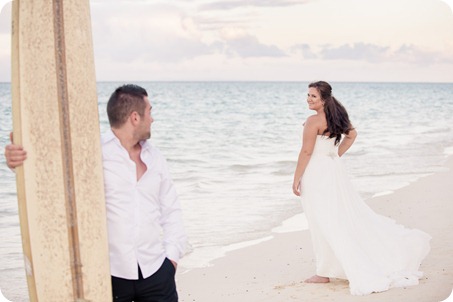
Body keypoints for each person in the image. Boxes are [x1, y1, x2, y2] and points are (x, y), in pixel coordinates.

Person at [5, 84, 187, 302]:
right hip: (109, 276)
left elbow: (171, 210)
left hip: (156, 271)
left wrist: (172, 259)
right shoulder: (92, 152)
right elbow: (50, 171)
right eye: (150, 112)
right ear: (135, 117)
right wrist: (17, 160)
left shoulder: (155, 157)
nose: (153, 119)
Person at [292, 81, 431, 296]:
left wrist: (296, 177)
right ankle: (327, 268)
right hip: (332, 170)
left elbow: (306, 152)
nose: (309, 99)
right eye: (308, 95)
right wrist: (335, 155)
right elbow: (352, 135)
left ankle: (324, 272)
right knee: (336, 217)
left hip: (317, 173)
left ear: (324, 99)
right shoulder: (337, 116)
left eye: (313, 96)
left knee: (323, 220)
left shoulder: (313, 121)